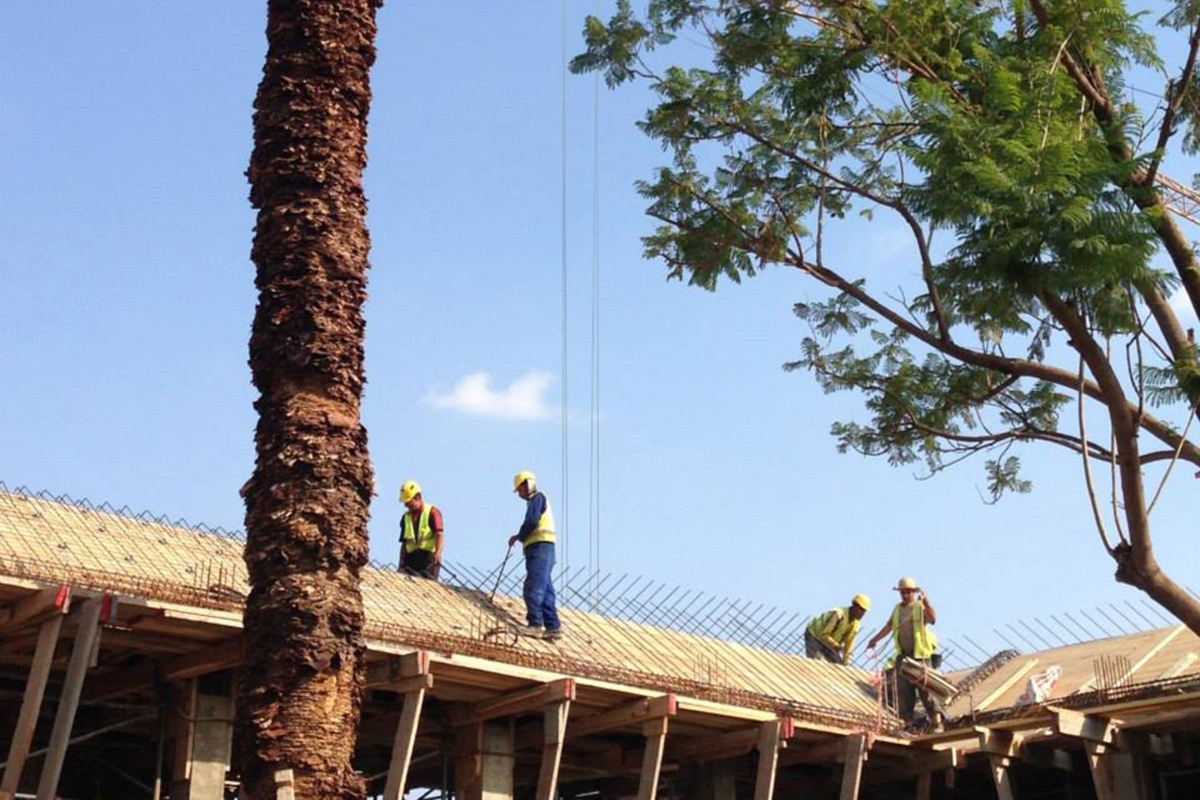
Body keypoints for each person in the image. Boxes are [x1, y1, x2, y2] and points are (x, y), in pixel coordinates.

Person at [866, 577, 943, 730]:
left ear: (913, 592)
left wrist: (926, 602)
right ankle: (908, 725)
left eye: (908, 592)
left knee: (926, 691)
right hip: (904, 656)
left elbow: (933, 619)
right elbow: (889, 626)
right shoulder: (897, 609)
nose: (905, 595)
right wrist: (875, 639)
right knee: (904, 691)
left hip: (920, 656)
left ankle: (936, 723)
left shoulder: (919, 607)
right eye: (903, 592)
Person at [507, 470, 562, 640]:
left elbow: (532, 521)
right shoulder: (536, 500)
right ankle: (553, 627)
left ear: (527, 484)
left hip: (540, 548)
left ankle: (535, 624)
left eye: (520, 490)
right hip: (544, 548)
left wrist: (519, 536)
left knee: (533, 587)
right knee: (545, 589)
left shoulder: (537, 498)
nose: (520, 494)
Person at [805, 594, 870, 665]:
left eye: (864, 611)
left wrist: (846, 663)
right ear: (854, 606)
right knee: (813, 662)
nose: (863, 613)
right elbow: (824, 635)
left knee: (839, 666)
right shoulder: (838, 614)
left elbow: (849, 645)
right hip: (814, 635)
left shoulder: (856, 624)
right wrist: (836, 646)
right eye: (861, 610)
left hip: (829, 642)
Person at [398, 480, 443, 581]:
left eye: (408, 502)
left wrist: (438, 553)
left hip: (428, 559)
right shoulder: (406, 518)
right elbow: (404, 544)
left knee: (428, 589)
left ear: (417, 498)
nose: (406, 506)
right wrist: (401, 564)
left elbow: (439, 534)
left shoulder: (432, 512)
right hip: (410, 560)